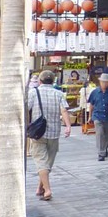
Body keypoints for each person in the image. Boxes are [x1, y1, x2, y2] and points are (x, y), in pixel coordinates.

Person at [26, 69, 72, 201]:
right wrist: (68, 126)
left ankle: (47, 190)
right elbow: (64, 111)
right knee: (48, 163)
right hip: (54, 133)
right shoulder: (59, 94)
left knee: (41, 162)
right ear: (53, 81)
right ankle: (40, 188)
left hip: (38, 133)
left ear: (40, 81)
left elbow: (26, 109)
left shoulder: (33, 93)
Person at [88, 73, 108, 161]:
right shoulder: (95, 92)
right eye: (103, 82)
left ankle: (104, 147)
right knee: (99, 134)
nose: (104, 84)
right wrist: (90, 116)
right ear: (100, 82)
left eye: (106, 82)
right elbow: (91, 105)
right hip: (97, 116)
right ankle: (101, 153)